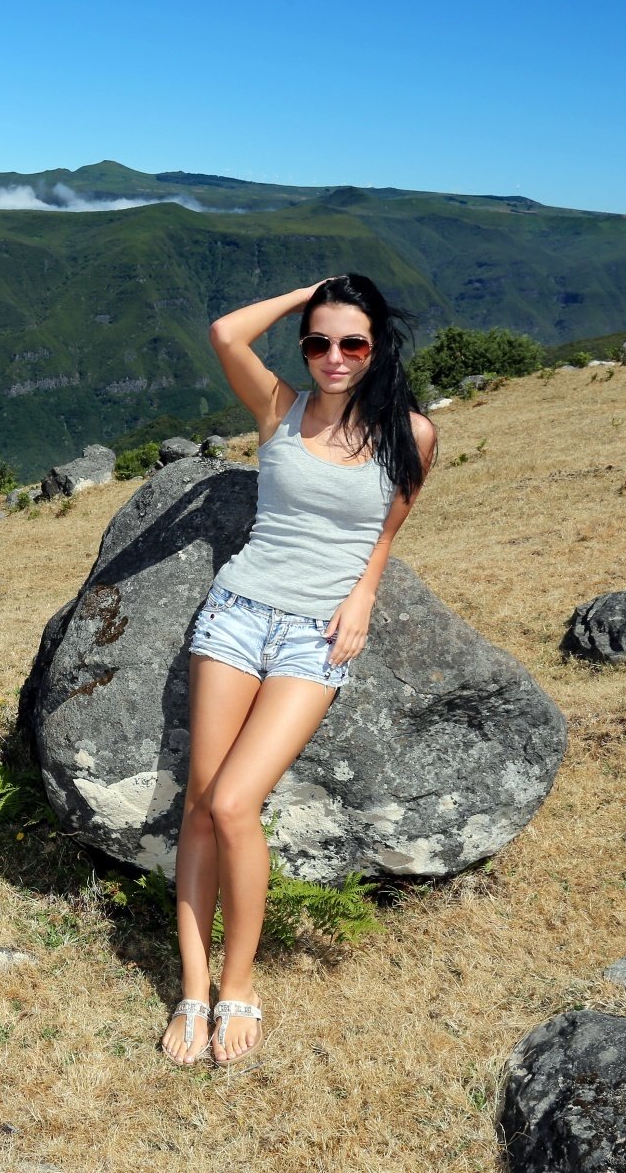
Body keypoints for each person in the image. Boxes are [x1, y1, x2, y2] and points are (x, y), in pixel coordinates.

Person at [160, 273, 436, 1068]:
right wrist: (309, 291)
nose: (335, 357)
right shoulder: (279, 409)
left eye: (353, 341)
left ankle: (238, 984)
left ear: (378, 345)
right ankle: (192, 987)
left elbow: (389, 525)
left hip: (316, 636)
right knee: (201, 807)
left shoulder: (409, 433)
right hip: (237, 614)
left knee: (237, 801)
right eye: (319, 342)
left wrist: (366, 592)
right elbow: (223, 332)